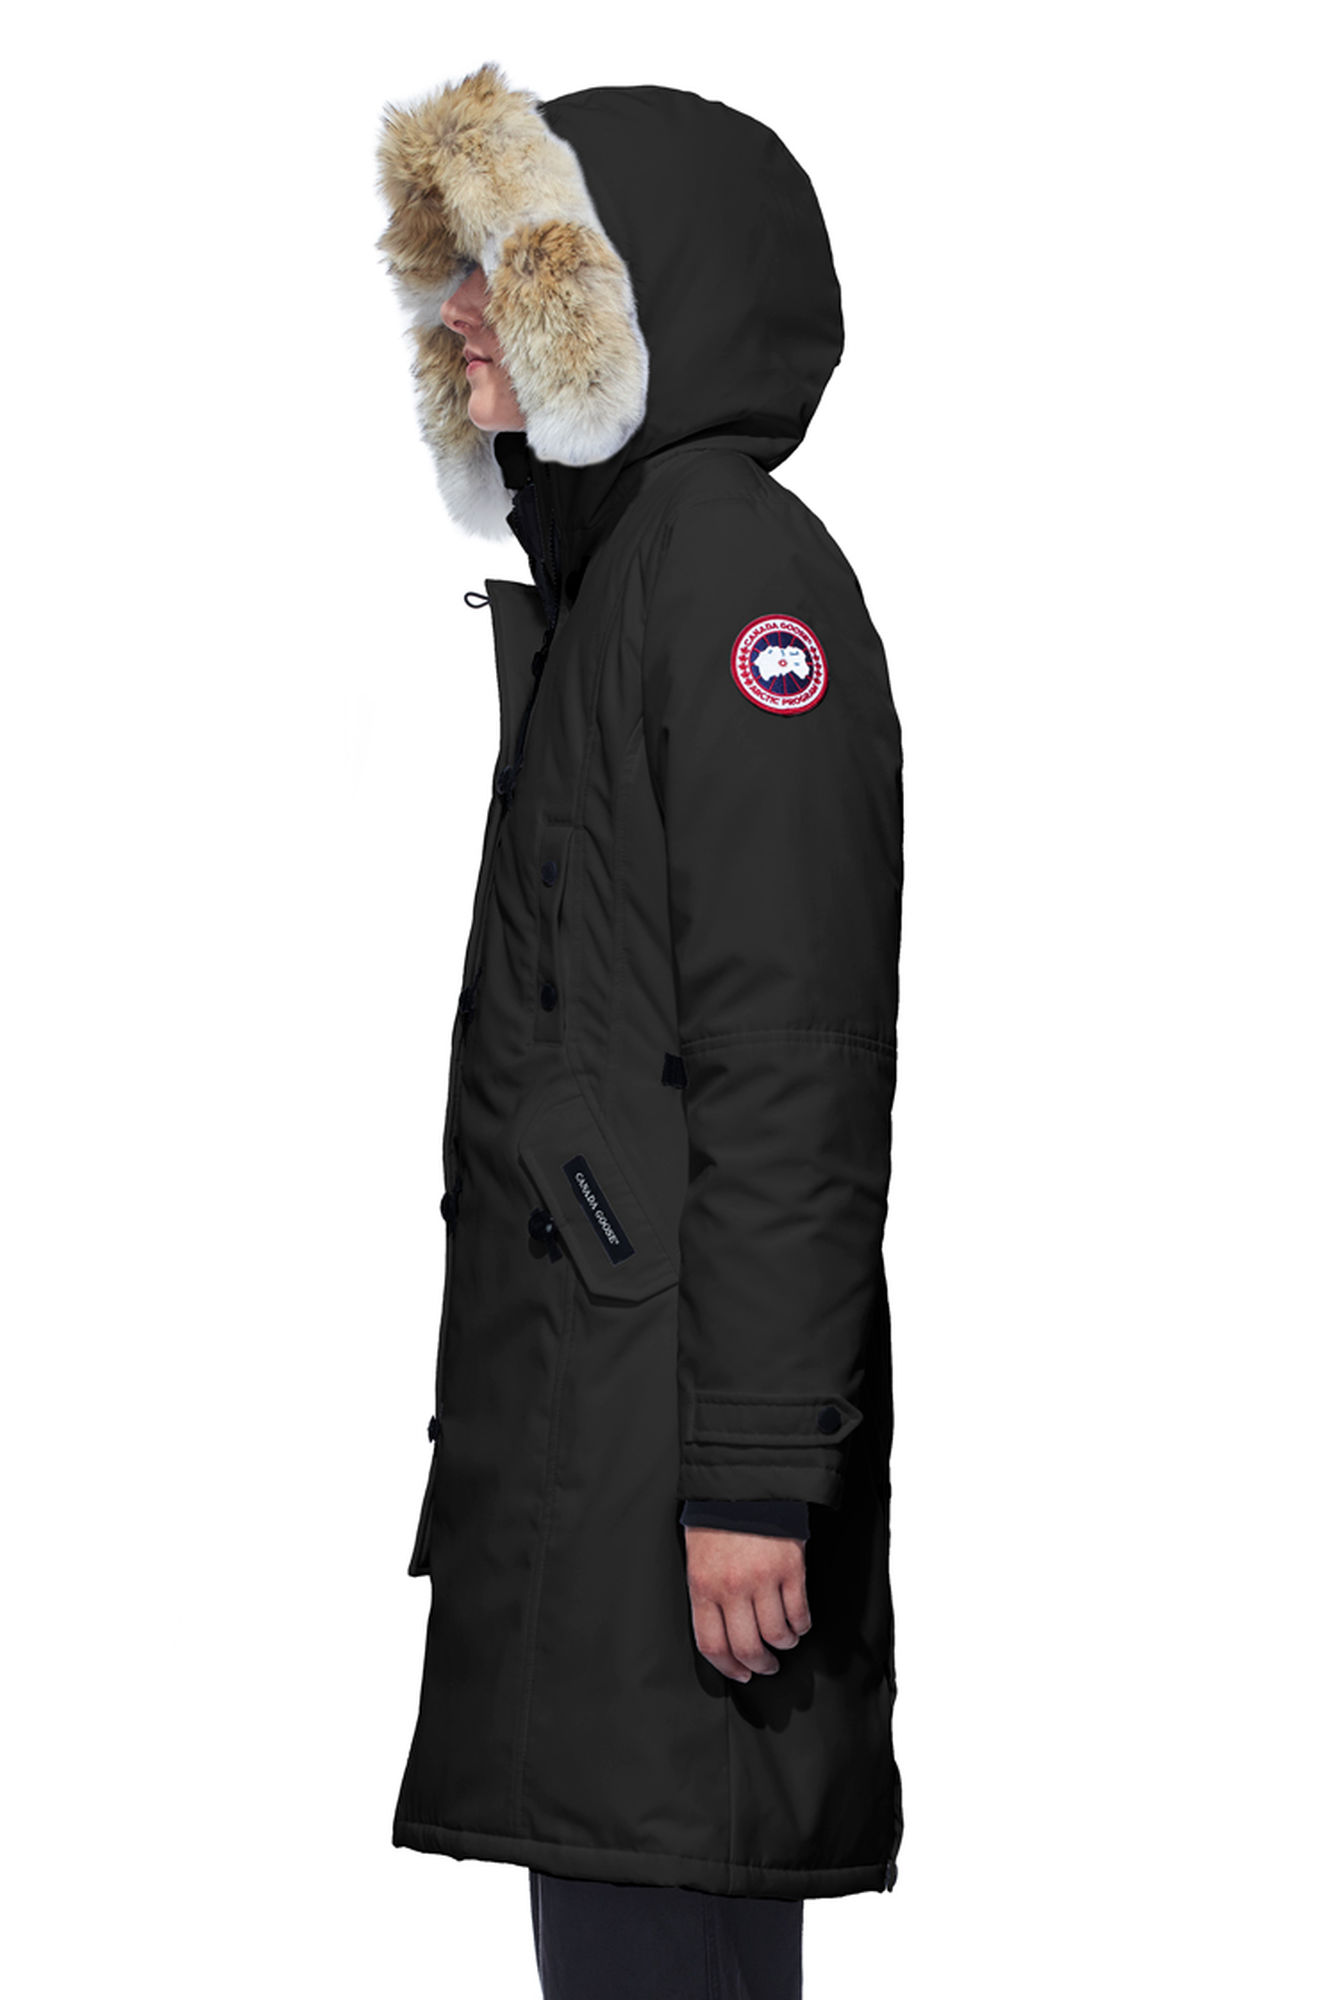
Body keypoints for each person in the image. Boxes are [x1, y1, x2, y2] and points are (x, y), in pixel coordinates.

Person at [374, 62, 904, 1999]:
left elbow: (793, 1056)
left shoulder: (734, 572)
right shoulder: (613, 583)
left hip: (682, 1452)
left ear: (623, 297)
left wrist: (755, 1473)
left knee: (670, 1935)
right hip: (604, 1432)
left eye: (508, 265)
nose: (459, 312)